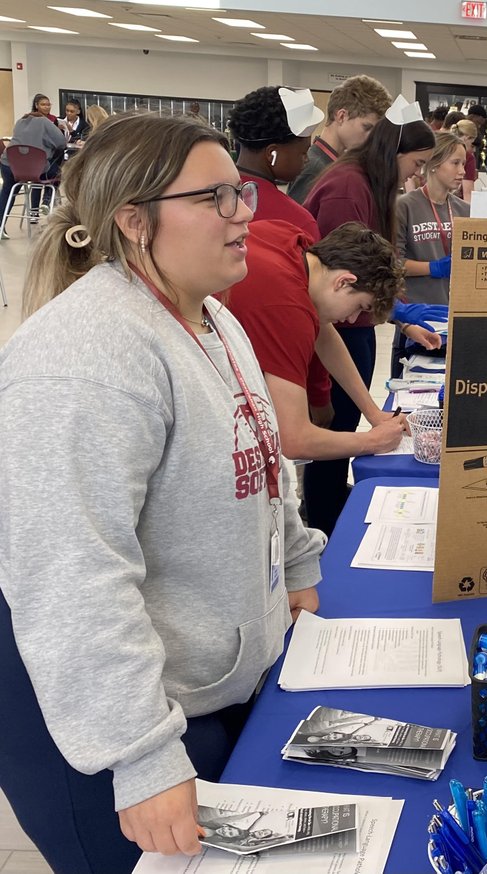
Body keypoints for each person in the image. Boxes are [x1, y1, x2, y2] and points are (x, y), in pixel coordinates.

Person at [0, 112, 326, 874]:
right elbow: (72, 577)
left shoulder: (210, 317)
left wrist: (299, 570)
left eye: (239, 191)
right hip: (105, 732)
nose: (245, 212)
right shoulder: (82, 358)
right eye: (216, 198)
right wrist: (142, 758)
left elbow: (265, 461)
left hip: (199, 692)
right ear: (134, 222)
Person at [302, 109, 435, 535]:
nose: (415, 176)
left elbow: (355, 291)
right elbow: (296, 435)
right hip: (338, 332)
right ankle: (325, 525)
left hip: (344, 333)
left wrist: (399, 319)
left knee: (343, 426)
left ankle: (328, 516)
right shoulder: (348, 188)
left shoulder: (367, 185)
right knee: (334, 431)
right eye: (416, 165)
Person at [222, 219, 410, 462]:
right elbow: (295, 440)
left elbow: (325, 335)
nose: (352, 320)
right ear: (344, 281)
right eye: (360, 307)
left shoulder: (293, 240)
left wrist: (373, 413)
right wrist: (373, 440)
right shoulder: (288, 309)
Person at [391, 130, 469, 374]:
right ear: (434, 164)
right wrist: (433, 268)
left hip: (454, 321)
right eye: (455, 163)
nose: (462, 171)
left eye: (464, 164)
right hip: (415, 319)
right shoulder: (404, 206)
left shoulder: (464, 211)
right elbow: (392, 264)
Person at [228, 85, 323, 241]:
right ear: (272, 153)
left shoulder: (209, 198)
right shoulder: (298, 223)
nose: (306, 159)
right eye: (303, 152)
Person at [288, 74, 392, 206]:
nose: (372, 138)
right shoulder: (314, 168)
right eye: (366, 127)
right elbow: (297, 224)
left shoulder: (334, 164)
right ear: (342, 116)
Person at [0, 100, 67, 226]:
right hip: (36, 169)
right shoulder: (44, 121)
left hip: (9, 165)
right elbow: (61, 143)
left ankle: (0, 225)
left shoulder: (19, 122)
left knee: (8, 191)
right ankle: (46, 200)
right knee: (57, 171)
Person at [448, 118, 479, 202]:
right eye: (472, 144)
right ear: (466, 138)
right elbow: (468, 193)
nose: (474, 149)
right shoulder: (468, 157)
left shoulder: (443, 150)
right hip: (456, 205)